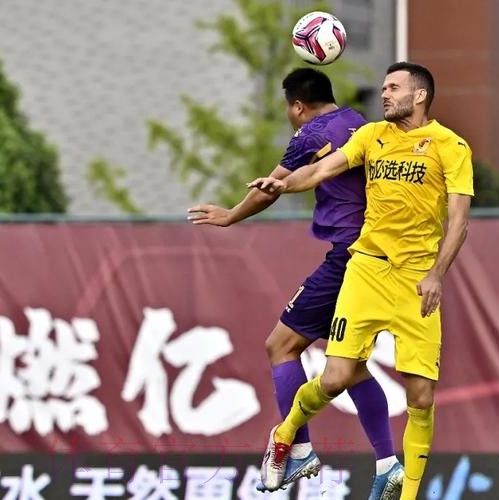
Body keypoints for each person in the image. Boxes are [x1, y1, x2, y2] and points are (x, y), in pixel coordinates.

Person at [248, 62, 474, 499]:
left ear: (419, 95)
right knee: (335, 378)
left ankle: (405, 492)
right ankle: (285, 435)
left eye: (394, 87)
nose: (384, 94)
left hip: (416, 281)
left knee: (422, 397)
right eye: (384, 87)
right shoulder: (371, 135)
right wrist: (282, 185)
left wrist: (436, 275)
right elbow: (319, 171)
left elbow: (459, 221)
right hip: (366, 271)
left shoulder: (450, 146)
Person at [188, 67, 401, 497]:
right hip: (381, 260)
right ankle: (387, 462)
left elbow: (272, 186)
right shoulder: (359, 122)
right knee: (352, 366)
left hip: (348, 258)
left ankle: (299, 449)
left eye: (289, 108)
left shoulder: (310, 134)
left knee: (281, 345)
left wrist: (230, 215)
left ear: (298, 106)